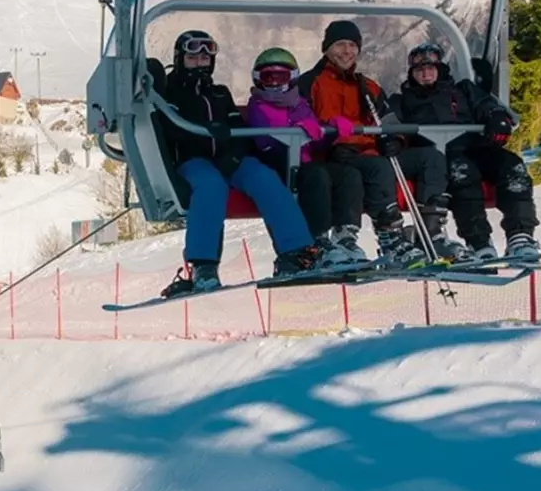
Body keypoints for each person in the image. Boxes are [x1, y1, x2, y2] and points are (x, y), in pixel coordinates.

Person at [157, 30, 347, 297]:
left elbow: (237, 126)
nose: (200, 63)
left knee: (264, 177)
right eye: (193, 58)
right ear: (180, 59)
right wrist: (204, 130)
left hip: (228, 158)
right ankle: (204, 266)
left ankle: (295, 253)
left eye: (204, 58)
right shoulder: (170, 93)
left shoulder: (220, 94)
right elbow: (171, 129)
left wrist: (233, 152)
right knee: (211, 186)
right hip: (193, 160)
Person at [387, 41, 540, 262]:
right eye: (419, 70)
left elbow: (486, 104)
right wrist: (395, 140)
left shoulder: (463, 90)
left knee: (512, 166)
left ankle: (520, 235)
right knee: (462, 173)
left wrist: (496, 117)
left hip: (476, 146)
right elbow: (392, 125)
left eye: (430, 68)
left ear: (440, 69)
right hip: (440, 154)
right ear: (412, 74)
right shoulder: (403, 100)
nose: (426, 74)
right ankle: (479, 241)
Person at [296, 20, 431, 267]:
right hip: (330, 152)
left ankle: (389, 236)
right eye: (340, 45)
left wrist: (396, 140)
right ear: (326, 48)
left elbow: (389, 120)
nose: (347, 51)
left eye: (352, 45)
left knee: (379, 165)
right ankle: (345, 239)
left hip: (365, 151)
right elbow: (297, 116)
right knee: (370, 170)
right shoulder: (311, 83)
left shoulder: (366, 86)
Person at [245, 47, 369, 259]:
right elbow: (263, 141)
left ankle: (345, 236)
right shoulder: (258, 106)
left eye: (280, 77)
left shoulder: (300, 104)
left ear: (291, 78)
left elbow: (316, 144)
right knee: (316, 175)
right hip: (279, 164)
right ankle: (318, 239)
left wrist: (329, 130)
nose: (274, 84)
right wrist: (295, 131)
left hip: (305, 162)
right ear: (258, 79)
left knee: (348, 174)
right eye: (268, 78)